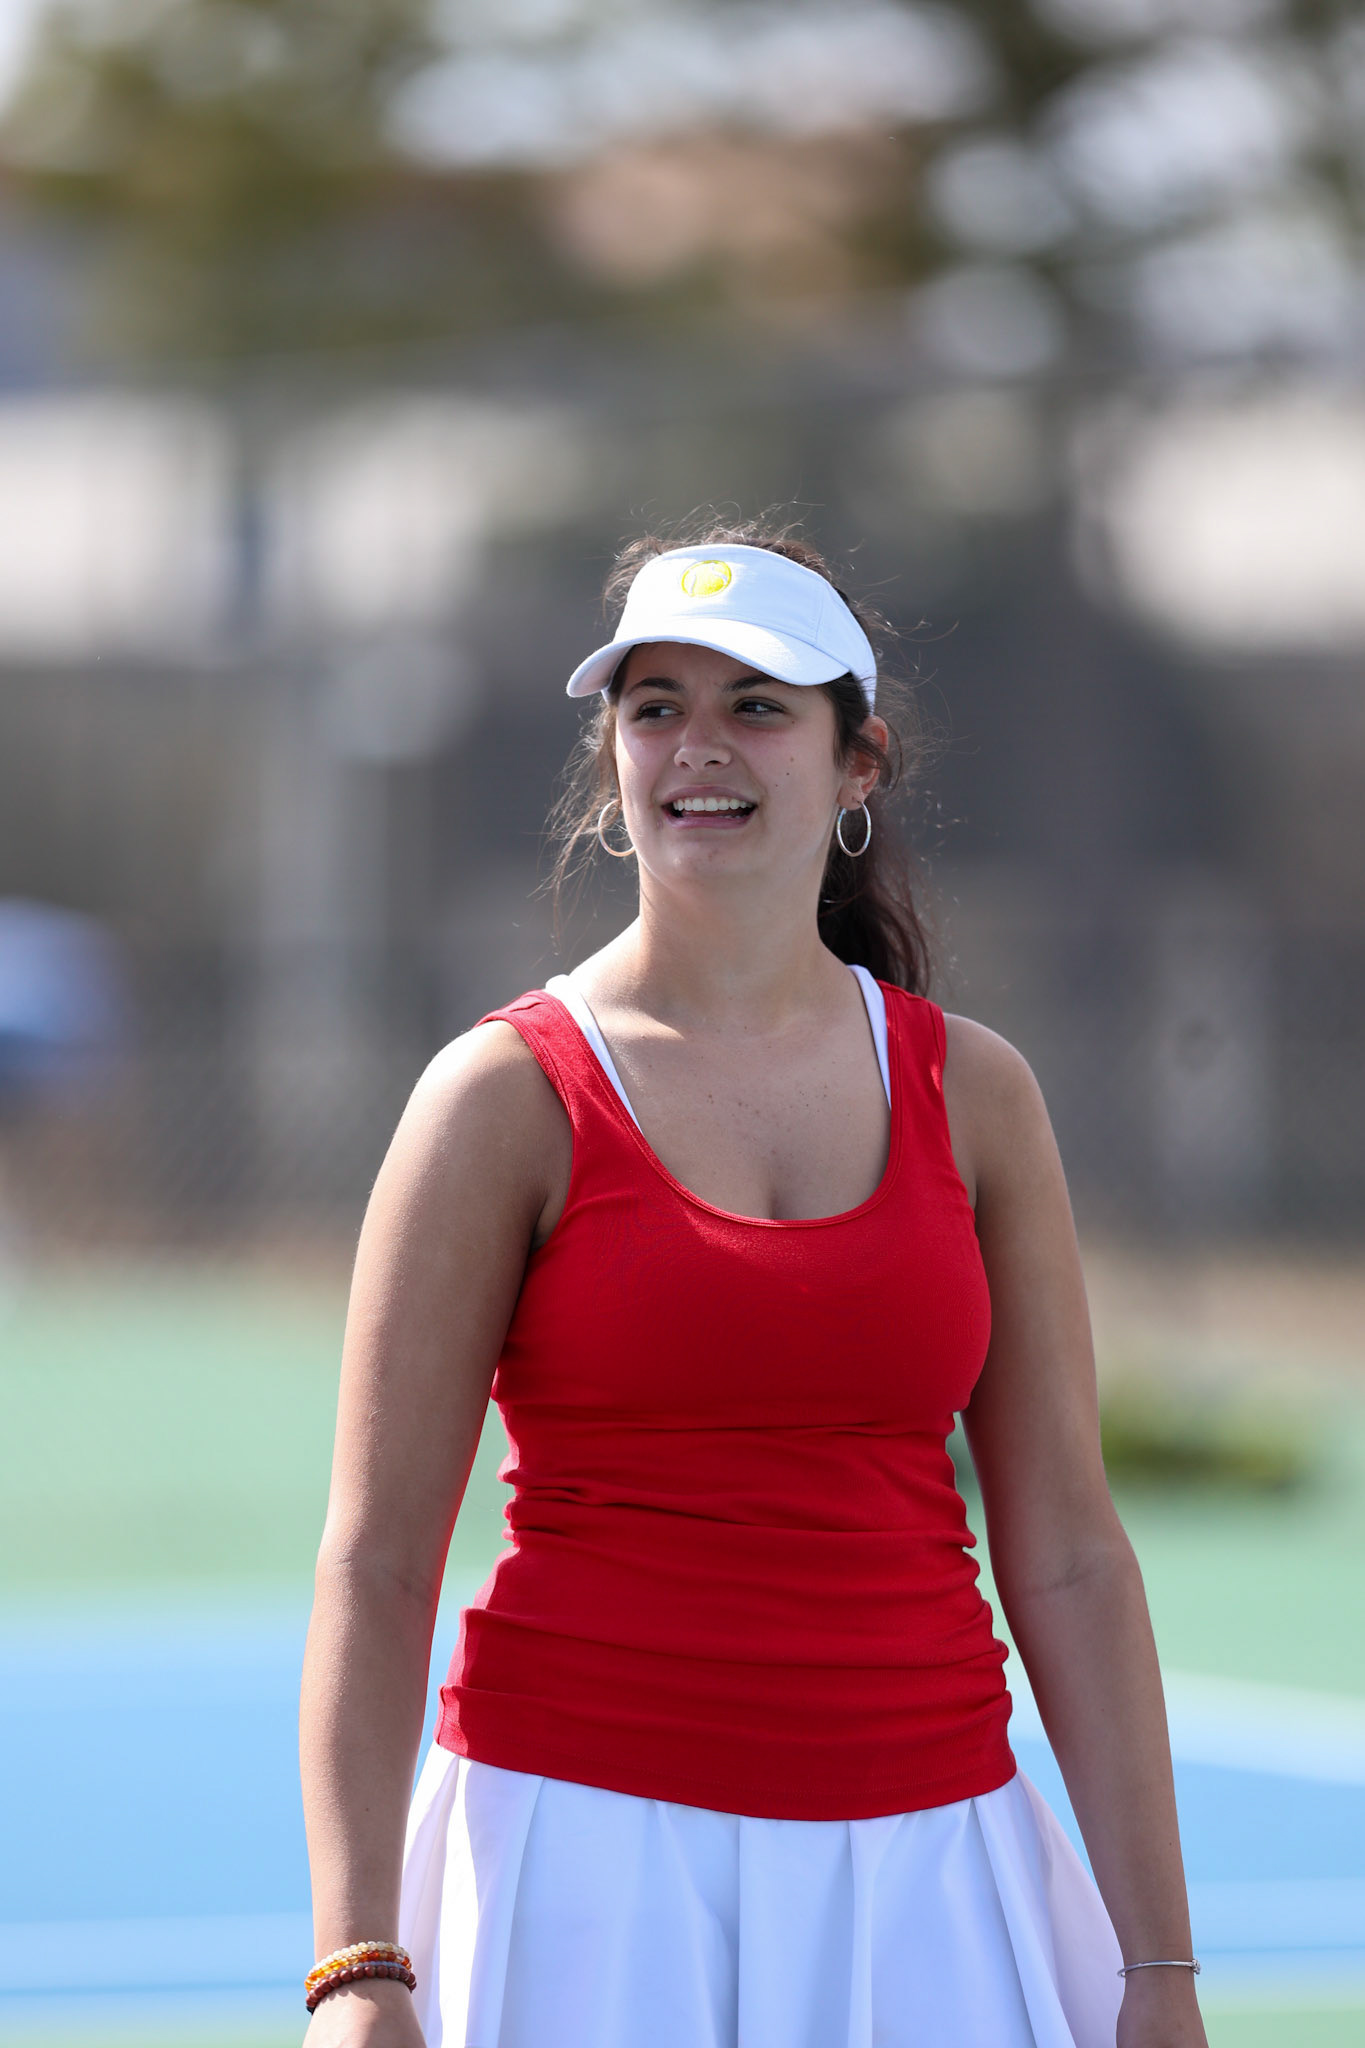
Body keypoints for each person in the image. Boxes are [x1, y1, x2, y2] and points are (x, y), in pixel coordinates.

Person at [299, 524, 1209, 2048]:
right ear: (610, 757)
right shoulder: (500, 1095)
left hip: (930, 1862)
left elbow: (1065, 1556)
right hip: (581, 1861)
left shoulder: (974, 1095)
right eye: (653, 706)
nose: (695, 748)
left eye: (756, 706)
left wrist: (1157, 1972)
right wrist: (358, 1964)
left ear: (857, 766)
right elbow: (377, 1562)